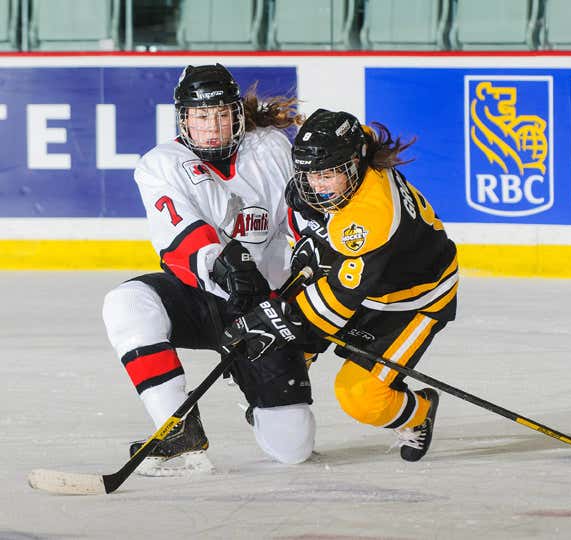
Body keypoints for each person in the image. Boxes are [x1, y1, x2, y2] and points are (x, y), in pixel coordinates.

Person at [102, 64, 315, 473]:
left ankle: (258, 392)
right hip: (201, 296)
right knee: (127, 303)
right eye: (201, 116)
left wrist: (301, 297)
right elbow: (181, 237)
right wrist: (223, 262)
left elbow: (303, 220)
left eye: (221, 114)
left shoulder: (271, 148)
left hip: (265, 308)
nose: (213, 127)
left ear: (237, 113)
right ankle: (177, 427)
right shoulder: (160, 164)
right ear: (184, 119)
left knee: (293, 447)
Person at [222, 109, 458, 462]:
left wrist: (275, 320)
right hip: (370, 272)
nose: (317, 186)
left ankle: (418, 412)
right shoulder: (357, 144)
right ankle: (280, 410)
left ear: (355, 163)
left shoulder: (371, 220)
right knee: (286, 351)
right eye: (310, 174)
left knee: (361, 397)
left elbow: (335, 304)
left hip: (413, 300)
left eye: (327, 175)